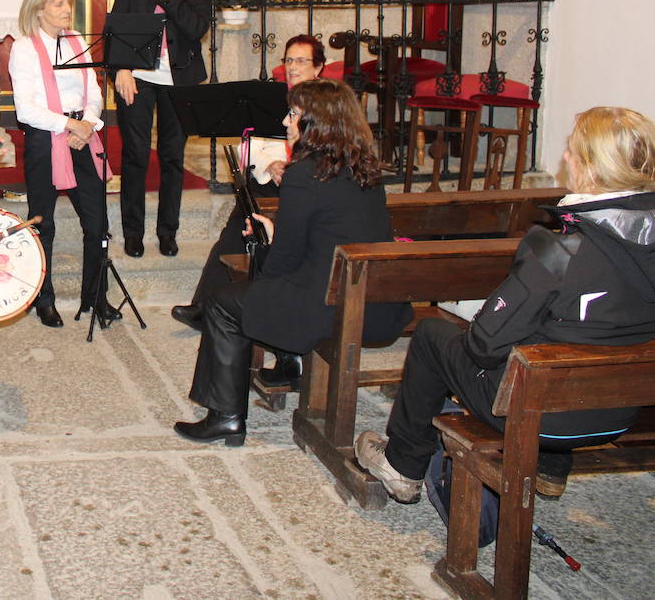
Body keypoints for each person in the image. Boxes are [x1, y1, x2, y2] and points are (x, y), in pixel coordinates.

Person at [356, 106, 655, 503]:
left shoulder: (561, 250)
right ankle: (549, 466)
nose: (565, 157)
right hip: (620, 411)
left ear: (591, 169)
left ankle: (402, 464)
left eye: (572, 151)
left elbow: (482, 345)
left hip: (541, 415)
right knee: (564, 332)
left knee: (433, 335)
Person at [175, 79, 411, 446]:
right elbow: (332, 229)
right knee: (252, 294)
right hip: (374, 304)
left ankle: (226, 417)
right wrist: (275, 232)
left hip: (327, 306)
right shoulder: (365, 168)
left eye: (294, 114)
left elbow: (285, 261)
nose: (285, 121)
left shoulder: (304, 173)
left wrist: (267, 247)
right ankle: (283, 368)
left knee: (223, 302)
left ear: (316, 123)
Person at [171, 34, 325, 332]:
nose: (293, 67)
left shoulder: (326, 103)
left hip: (309, 185)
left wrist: (294, 167)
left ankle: (259, 306)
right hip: (269, 180)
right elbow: (247, 145)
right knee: (235, 229)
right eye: (289, 60)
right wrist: (271, 164)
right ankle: (204, 307)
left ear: (318, 68)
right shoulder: (272, 99)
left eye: (301, 61)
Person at [8, 0, 116, 328]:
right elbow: (25, 110)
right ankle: (44, 299)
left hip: (83, 134)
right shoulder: (24, 49)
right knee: (44, 222)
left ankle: (96, 297)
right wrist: (69, 126)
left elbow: (95, 91)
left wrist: (88, 124)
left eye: (68, 2)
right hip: (46, 138)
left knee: (97, 221)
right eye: (57, 3)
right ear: (38, 10)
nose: (66, 9)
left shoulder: (77, 41)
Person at [108, 0, 214, 259]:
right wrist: (121, 68)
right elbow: (117, 27)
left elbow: (196, 28)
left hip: (178, 78)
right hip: (136, 77)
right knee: (135, 156)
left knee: (172, 157)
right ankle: (133, 233)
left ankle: (167, 232)